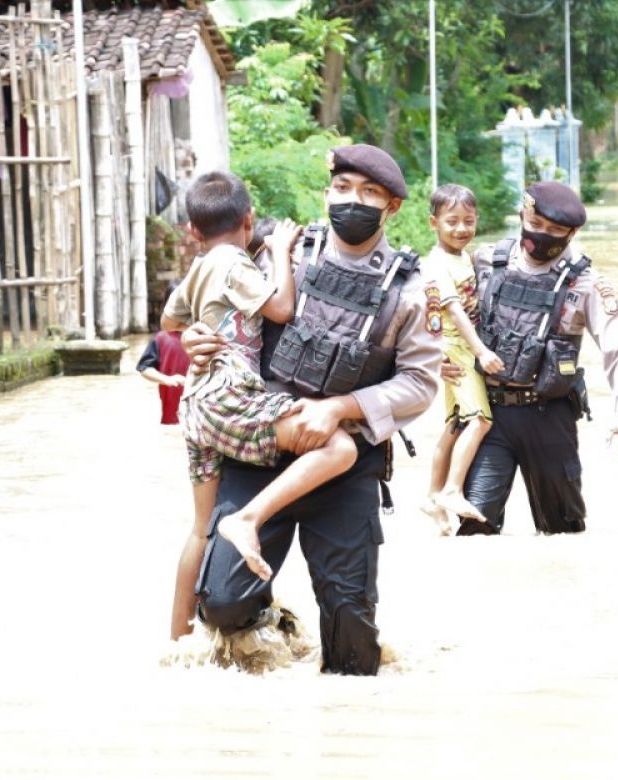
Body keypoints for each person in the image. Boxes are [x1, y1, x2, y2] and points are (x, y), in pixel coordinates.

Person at [180, 144, 439, 675]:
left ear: (391, 207)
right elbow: (213, 310)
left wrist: (343, 405)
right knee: (224, 607)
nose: (352, 201)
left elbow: (421, 382)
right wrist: (195, 337)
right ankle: (276, 625)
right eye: (342, 188)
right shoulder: (283, 254)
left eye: (369, 193)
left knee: (351, 645)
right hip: (259, 453)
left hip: (345, 466)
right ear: (326, 193)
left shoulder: (411, 289)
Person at [161, 171, 355, 639]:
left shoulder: (201, 264)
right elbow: (283, 309)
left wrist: (192, 331)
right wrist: (281, 254)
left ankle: (178, 642)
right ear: (249, 221)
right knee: (340, 446)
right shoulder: (232, 261)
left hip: (197, 406)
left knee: (200, 528)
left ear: (192, 231)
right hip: (230, 395)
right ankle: (248, 519)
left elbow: (169, 318)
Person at [444, 181, 618, 537]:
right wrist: (436, 359)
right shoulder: (486, 261)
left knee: (562, 533)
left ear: (573, 232)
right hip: (490, 417)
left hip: (549, 416)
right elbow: (440, 311)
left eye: (555, 231)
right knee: (473, 528)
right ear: (522, 214)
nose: (542, 235)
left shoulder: (586, 284)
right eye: (535, 224)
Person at [420, 184, 503, 534]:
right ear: (433, 223)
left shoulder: (464, 257)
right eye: (451, 221)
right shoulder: (437, 263)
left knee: (454, 424)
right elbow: (453, 310)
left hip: (455, 347)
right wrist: (481, 352)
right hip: (458, 348)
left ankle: (432, 495)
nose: (461, 229)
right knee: (481, 420)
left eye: (468, 221)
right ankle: (453, 489)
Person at [136, 328, 188, 425]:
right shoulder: (161, 338)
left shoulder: (208, 336)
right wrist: (167, 379)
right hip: (173, 410)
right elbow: (144, 368)